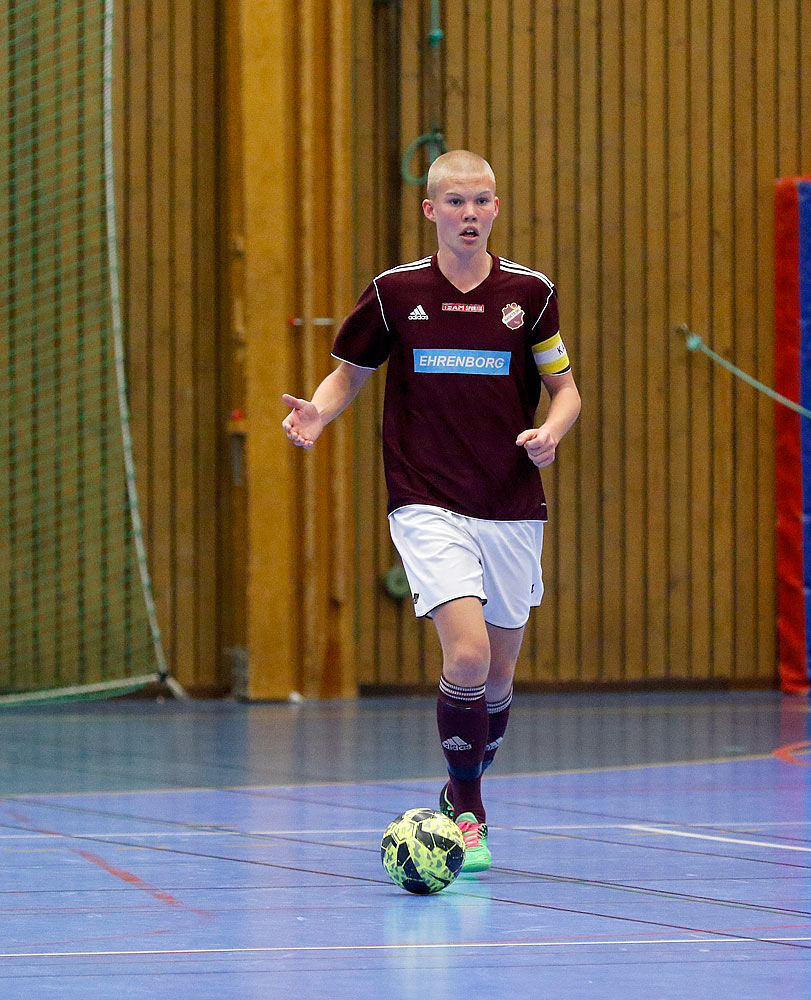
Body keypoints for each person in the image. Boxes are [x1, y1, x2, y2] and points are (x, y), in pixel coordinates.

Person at [281, 149, 581, 873]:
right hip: (426, 500)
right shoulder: (394, 294)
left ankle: (455, 789)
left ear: (497, 208)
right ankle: (472, 813)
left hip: (510, 503)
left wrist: (551, 432)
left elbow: (566, 389)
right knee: (469, 655)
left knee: (500, 679)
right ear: (431, 210)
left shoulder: (531, 295)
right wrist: (318, 415)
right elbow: (348, 375)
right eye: (455, 202)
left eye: (482, 201)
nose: (469, 214)